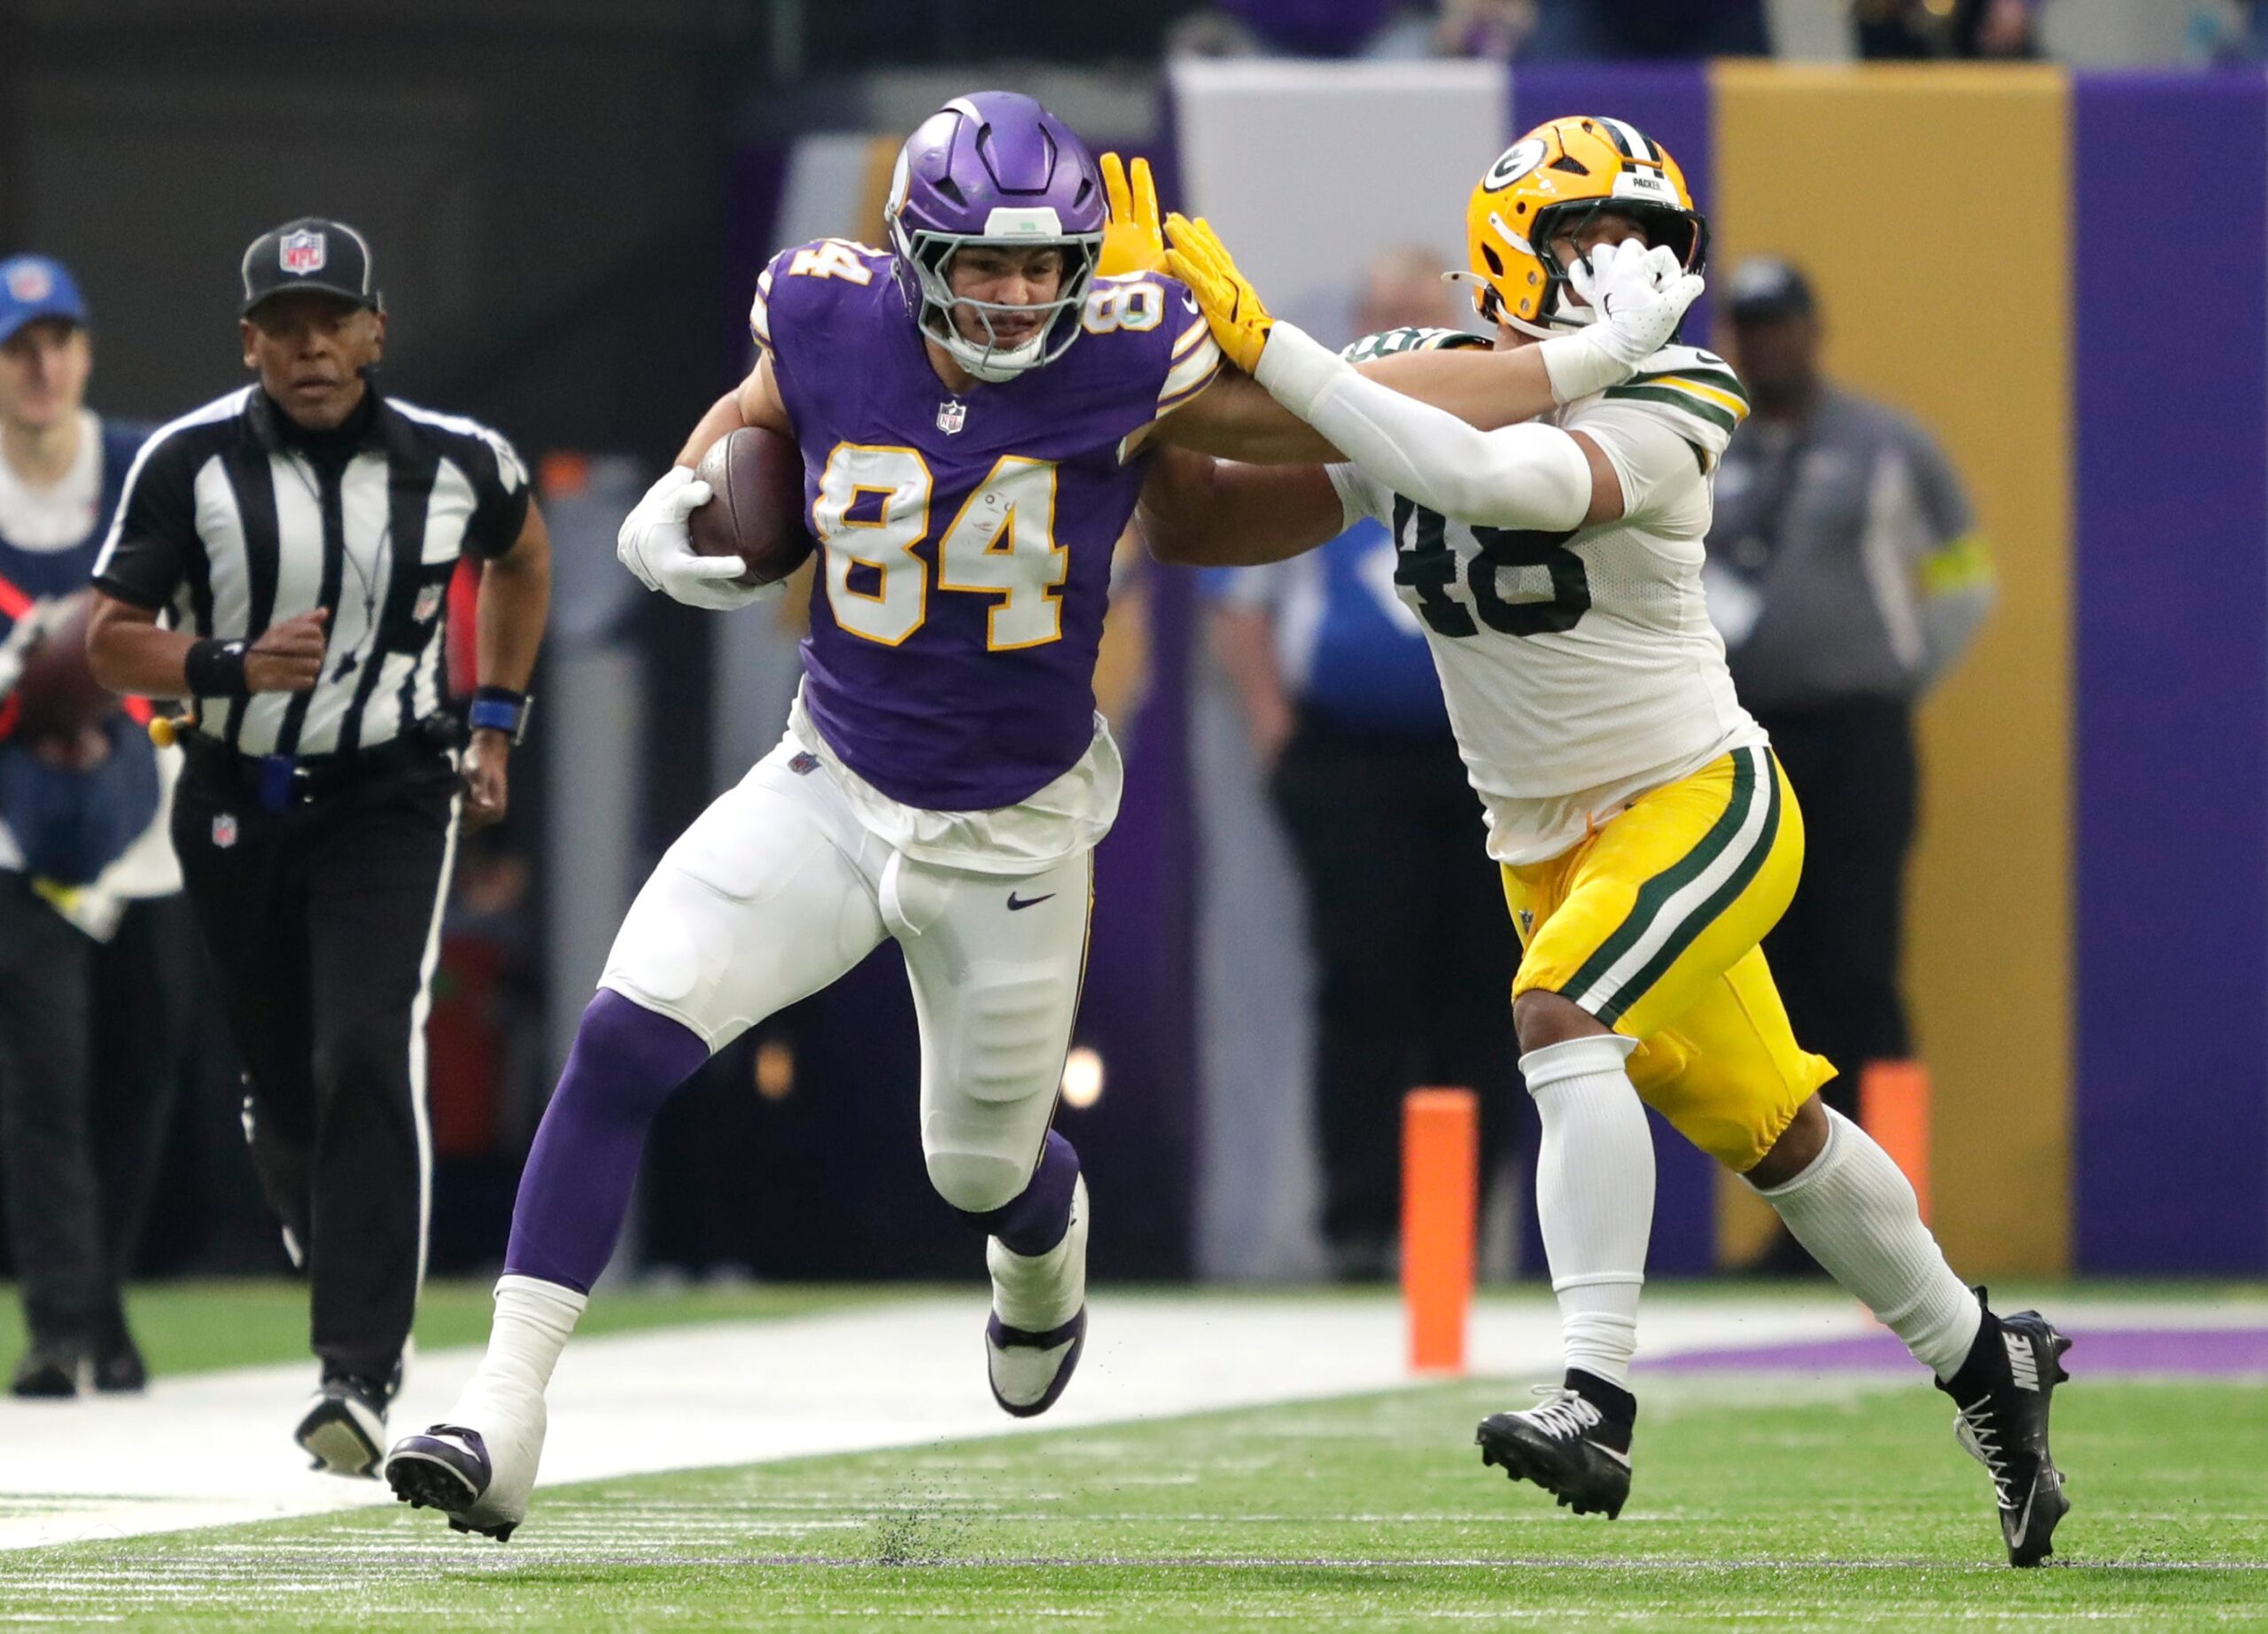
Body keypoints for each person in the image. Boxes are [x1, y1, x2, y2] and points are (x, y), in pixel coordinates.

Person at [379, 94, 1602, 1544]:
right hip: (830, 781)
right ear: (911, 254)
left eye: (1044, 266)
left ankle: (1040, 1242)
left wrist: (1582, 361)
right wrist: (684, 491)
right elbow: (761, 410)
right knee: (626, 1031)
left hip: (1016, 834)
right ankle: (501, 1413)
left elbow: (1354, 411)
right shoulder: (830, 311)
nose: (1020, 296)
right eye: (983, 263)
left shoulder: (1130, 345)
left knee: (977, 1164)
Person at [1137, 114, 2070, 1567]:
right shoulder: (1401, 378)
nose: (1621, 264)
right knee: (1782, 1133)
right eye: (1586, 234)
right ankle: (1986, 1362)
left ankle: (1595, 1389)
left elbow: (1506, 481)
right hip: (1543, 843)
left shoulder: (1681, 380)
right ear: (1514, 244)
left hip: (1697, 795)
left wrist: (1275, 354)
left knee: (1557, 1009)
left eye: (1646, 236)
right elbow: (1212, 501)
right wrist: (1116, 390)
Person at [84, 217, 553, 1474]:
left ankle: (359, 1372)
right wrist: (229, 663)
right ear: (250, 344)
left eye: (331, 322)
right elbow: (108, 636)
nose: (310, 349)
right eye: (283, 329)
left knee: (364, 1049)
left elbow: (522, 554)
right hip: (234, 787)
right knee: (288, 1091)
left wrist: (496, 714)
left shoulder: (459, 461)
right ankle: (304, 1178)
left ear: (373, 329)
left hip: (392, 789)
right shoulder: (187, 464)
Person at [1207, 245, 1520, 1281]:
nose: (1401, 340)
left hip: (1485, 761)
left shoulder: (1502, 436)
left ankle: (1457, 1227)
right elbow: (1239, 603)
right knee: (1363, 986)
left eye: (1418, 319)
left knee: (1491, 993)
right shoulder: (1316, 442)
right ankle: (1356, 1222)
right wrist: (1275, 735)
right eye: (1381, 316)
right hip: (1348, 762)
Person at [1705, 258, 1992, 1146]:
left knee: (1859, 960)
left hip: (1860, 731)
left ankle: (1894, 1192)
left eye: (1780, 323)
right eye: (1748, 329)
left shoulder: (1884, 443)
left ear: (1812, 330)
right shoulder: (1707, 442)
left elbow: (1964, 574)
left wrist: (1902, 669)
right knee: (1772, 970)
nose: (1767, 344)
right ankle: (1812, 1209)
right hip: (1747, 737)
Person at [0, 253, 180, 1397]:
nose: (41, 365)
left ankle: (101, 1303)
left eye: (58, 340)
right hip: (17, 822)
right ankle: (61, 1325)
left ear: (87, 352)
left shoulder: (143, 469)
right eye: (19, 347)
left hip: (145, 823)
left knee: (143, 1068)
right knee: (43, 1080)